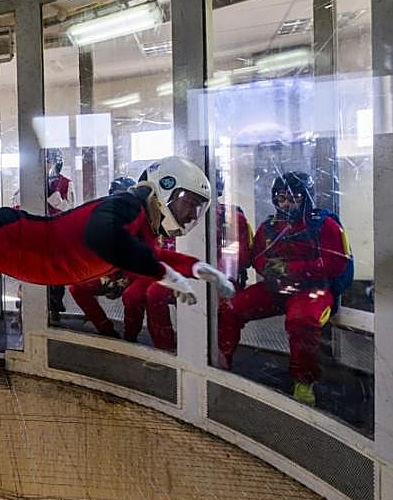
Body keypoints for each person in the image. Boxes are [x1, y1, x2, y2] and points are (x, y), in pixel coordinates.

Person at [0, 151, 235, 312]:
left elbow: (152, 255)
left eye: (196, 209)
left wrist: (200, 270)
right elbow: (103, 241)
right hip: (2, 238)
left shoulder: (142, 229)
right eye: (188, 204)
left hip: (5, 241)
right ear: (164, 186)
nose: (190, 216)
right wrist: (166, 275)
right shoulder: (124, 206)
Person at [216, 170, 353, 405]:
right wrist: (268, 268)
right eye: (281, 198)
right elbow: (256, 256)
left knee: (301, 322)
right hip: (276, 289)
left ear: (307, 198)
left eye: (294, 198)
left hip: (312, 290)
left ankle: (303, 381)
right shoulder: (269, 227)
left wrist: (293, 269)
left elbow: (336, 262)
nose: (287, 204)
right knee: (231, 308)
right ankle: (220, 361)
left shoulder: (324, 224)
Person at [132, 170, 254, 351]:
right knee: (154, 294)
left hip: (217, 274)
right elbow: (164, 246)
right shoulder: (172, 215)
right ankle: (165, 348)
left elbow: (241, 257)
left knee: (226, 306)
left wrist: (217, 272)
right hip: (183, 270)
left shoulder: (233, 219)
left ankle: (222, 357)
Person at [68, 176, 139, 336]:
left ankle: (131, 336)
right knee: (77, 288)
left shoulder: (143, 220)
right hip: (107, 274)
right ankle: (105, 329)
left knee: (133, 295)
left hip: (133, 273)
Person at [44, 150, 75, 325]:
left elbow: (70, 209)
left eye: (49, 162)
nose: (47, 166)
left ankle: (54, 310)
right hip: (36, 232)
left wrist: (53, 196)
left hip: (57, 234)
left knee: (55, 275)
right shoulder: (30, 181)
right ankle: (25, 312)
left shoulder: (65, 183)